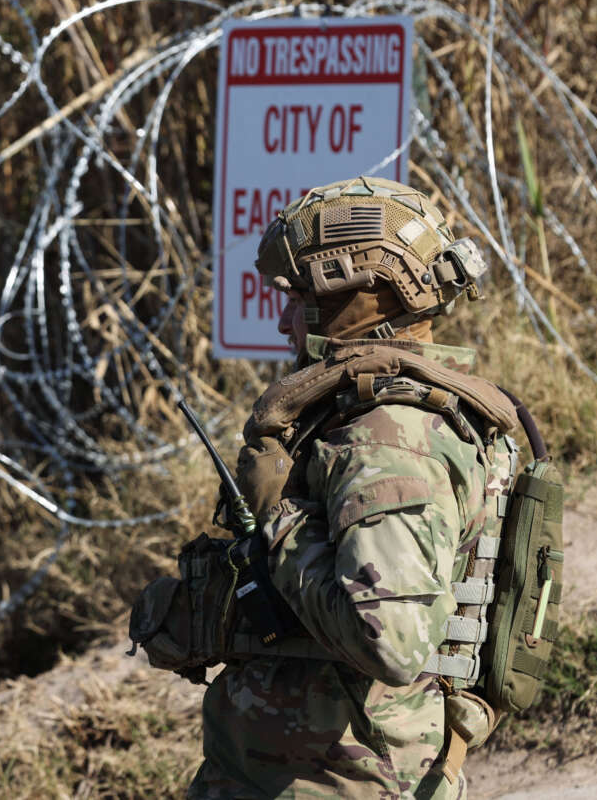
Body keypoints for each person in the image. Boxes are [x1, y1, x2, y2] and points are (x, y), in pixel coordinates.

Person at [187, 176, 516, 799]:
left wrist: (275, 515)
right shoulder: (365, 416)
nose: (285, 318)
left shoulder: (388, 439)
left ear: (356, 296)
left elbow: (389, 642)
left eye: (299, 297)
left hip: (340, 780)